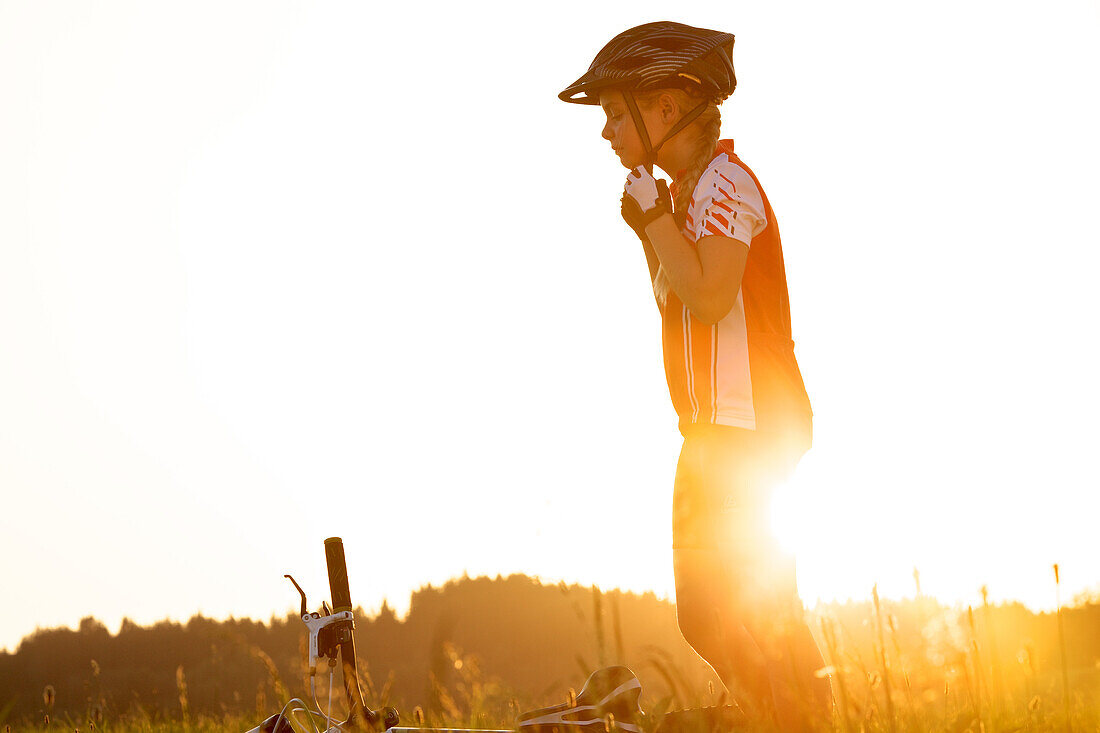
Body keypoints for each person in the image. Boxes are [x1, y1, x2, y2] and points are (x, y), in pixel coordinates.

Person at [558, 22, 832, 732]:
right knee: (706, 613)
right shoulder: (684, 195)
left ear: (668, 106)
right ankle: (781, 713)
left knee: (751, 608)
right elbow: (673, 295)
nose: (607, 132)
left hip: (752, 430)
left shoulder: (726, 184)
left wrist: (654, 222)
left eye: (617, 113)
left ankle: (801, 716)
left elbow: (710, 296)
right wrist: (650, 228)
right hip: (709, 432)